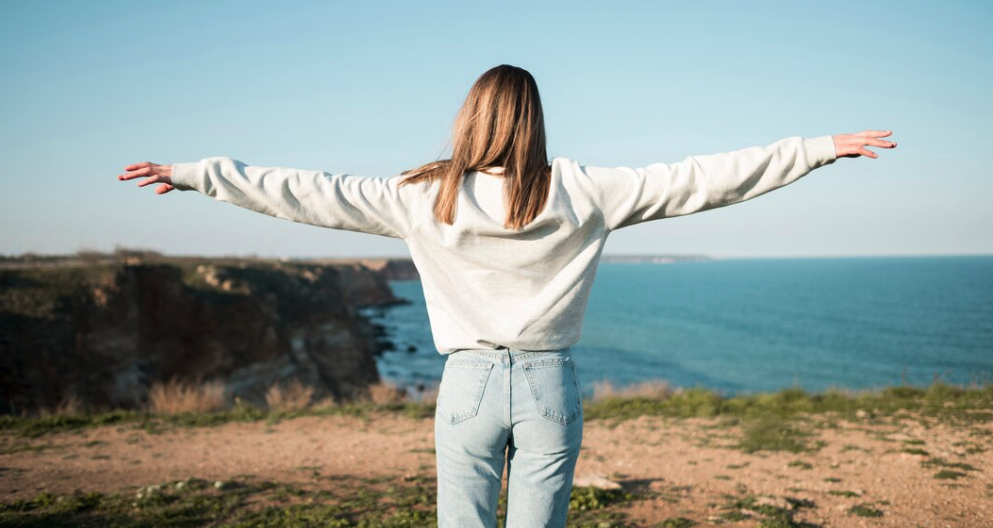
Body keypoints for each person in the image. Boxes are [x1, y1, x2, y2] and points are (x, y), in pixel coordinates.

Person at [117, 64, 896, 527]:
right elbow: (702, 179)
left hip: (466, 383)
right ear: (534, 122)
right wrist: (815, 150)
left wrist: (195, 174)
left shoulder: (423, 196)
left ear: (469, 120)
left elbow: (305, 193)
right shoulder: (586, 189)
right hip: (548, 379)